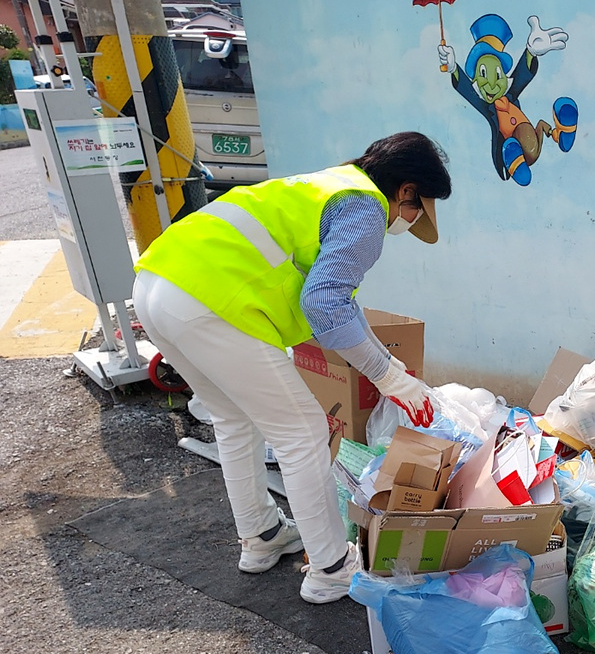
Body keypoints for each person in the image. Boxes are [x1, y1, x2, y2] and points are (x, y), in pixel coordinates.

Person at [132, 132, 451, 604]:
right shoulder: (366, 210)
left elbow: (339, 301)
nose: (409, 221)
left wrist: (389, 366)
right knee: (302, 434)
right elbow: (325, 304)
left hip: (158, 289)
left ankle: (260, 537)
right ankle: (331, 567)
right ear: (406, 191)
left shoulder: (330, 186)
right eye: (416, 209)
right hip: (211, 304)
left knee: (236, 421)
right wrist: (388, 378)